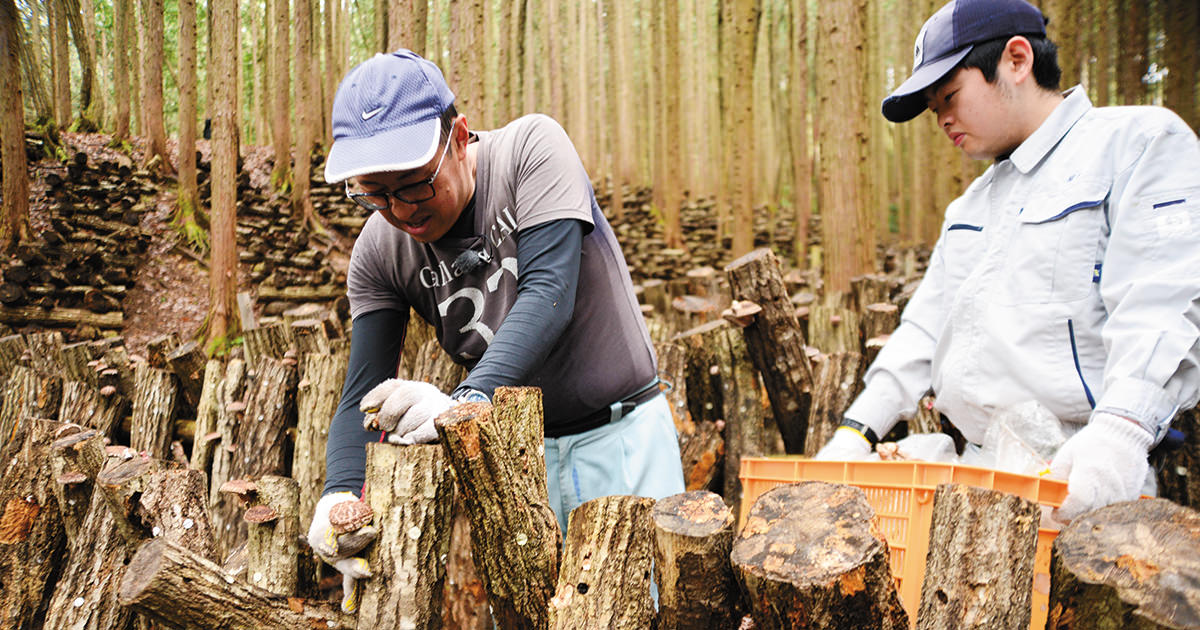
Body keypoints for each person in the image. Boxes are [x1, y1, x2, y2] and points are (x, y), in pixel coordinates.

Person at [302, 50, 685, 612]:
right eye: (374, 194)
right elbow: (362, 389)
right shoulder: (378, 250)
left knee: (648, 610)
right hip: (515, 464)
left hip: (622, 438)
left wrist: (464, 402)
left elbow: (547, 295)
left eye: (413, 185)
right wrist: (338, 491)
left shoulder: (532, 150)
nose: (400, 211)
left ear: (458, 136)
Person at [817, 0, 1200, 525]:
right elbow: (925, 327)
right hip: (975, 480)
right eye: (934, 109)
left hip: (1085, 479)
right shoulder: (970, 206)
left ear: (1017, 61)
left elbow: (1163, 299)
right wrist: (856, 430)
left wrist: (1120, 433)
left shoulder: (1137, 144)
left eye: (950, 96)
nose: (943, 119)